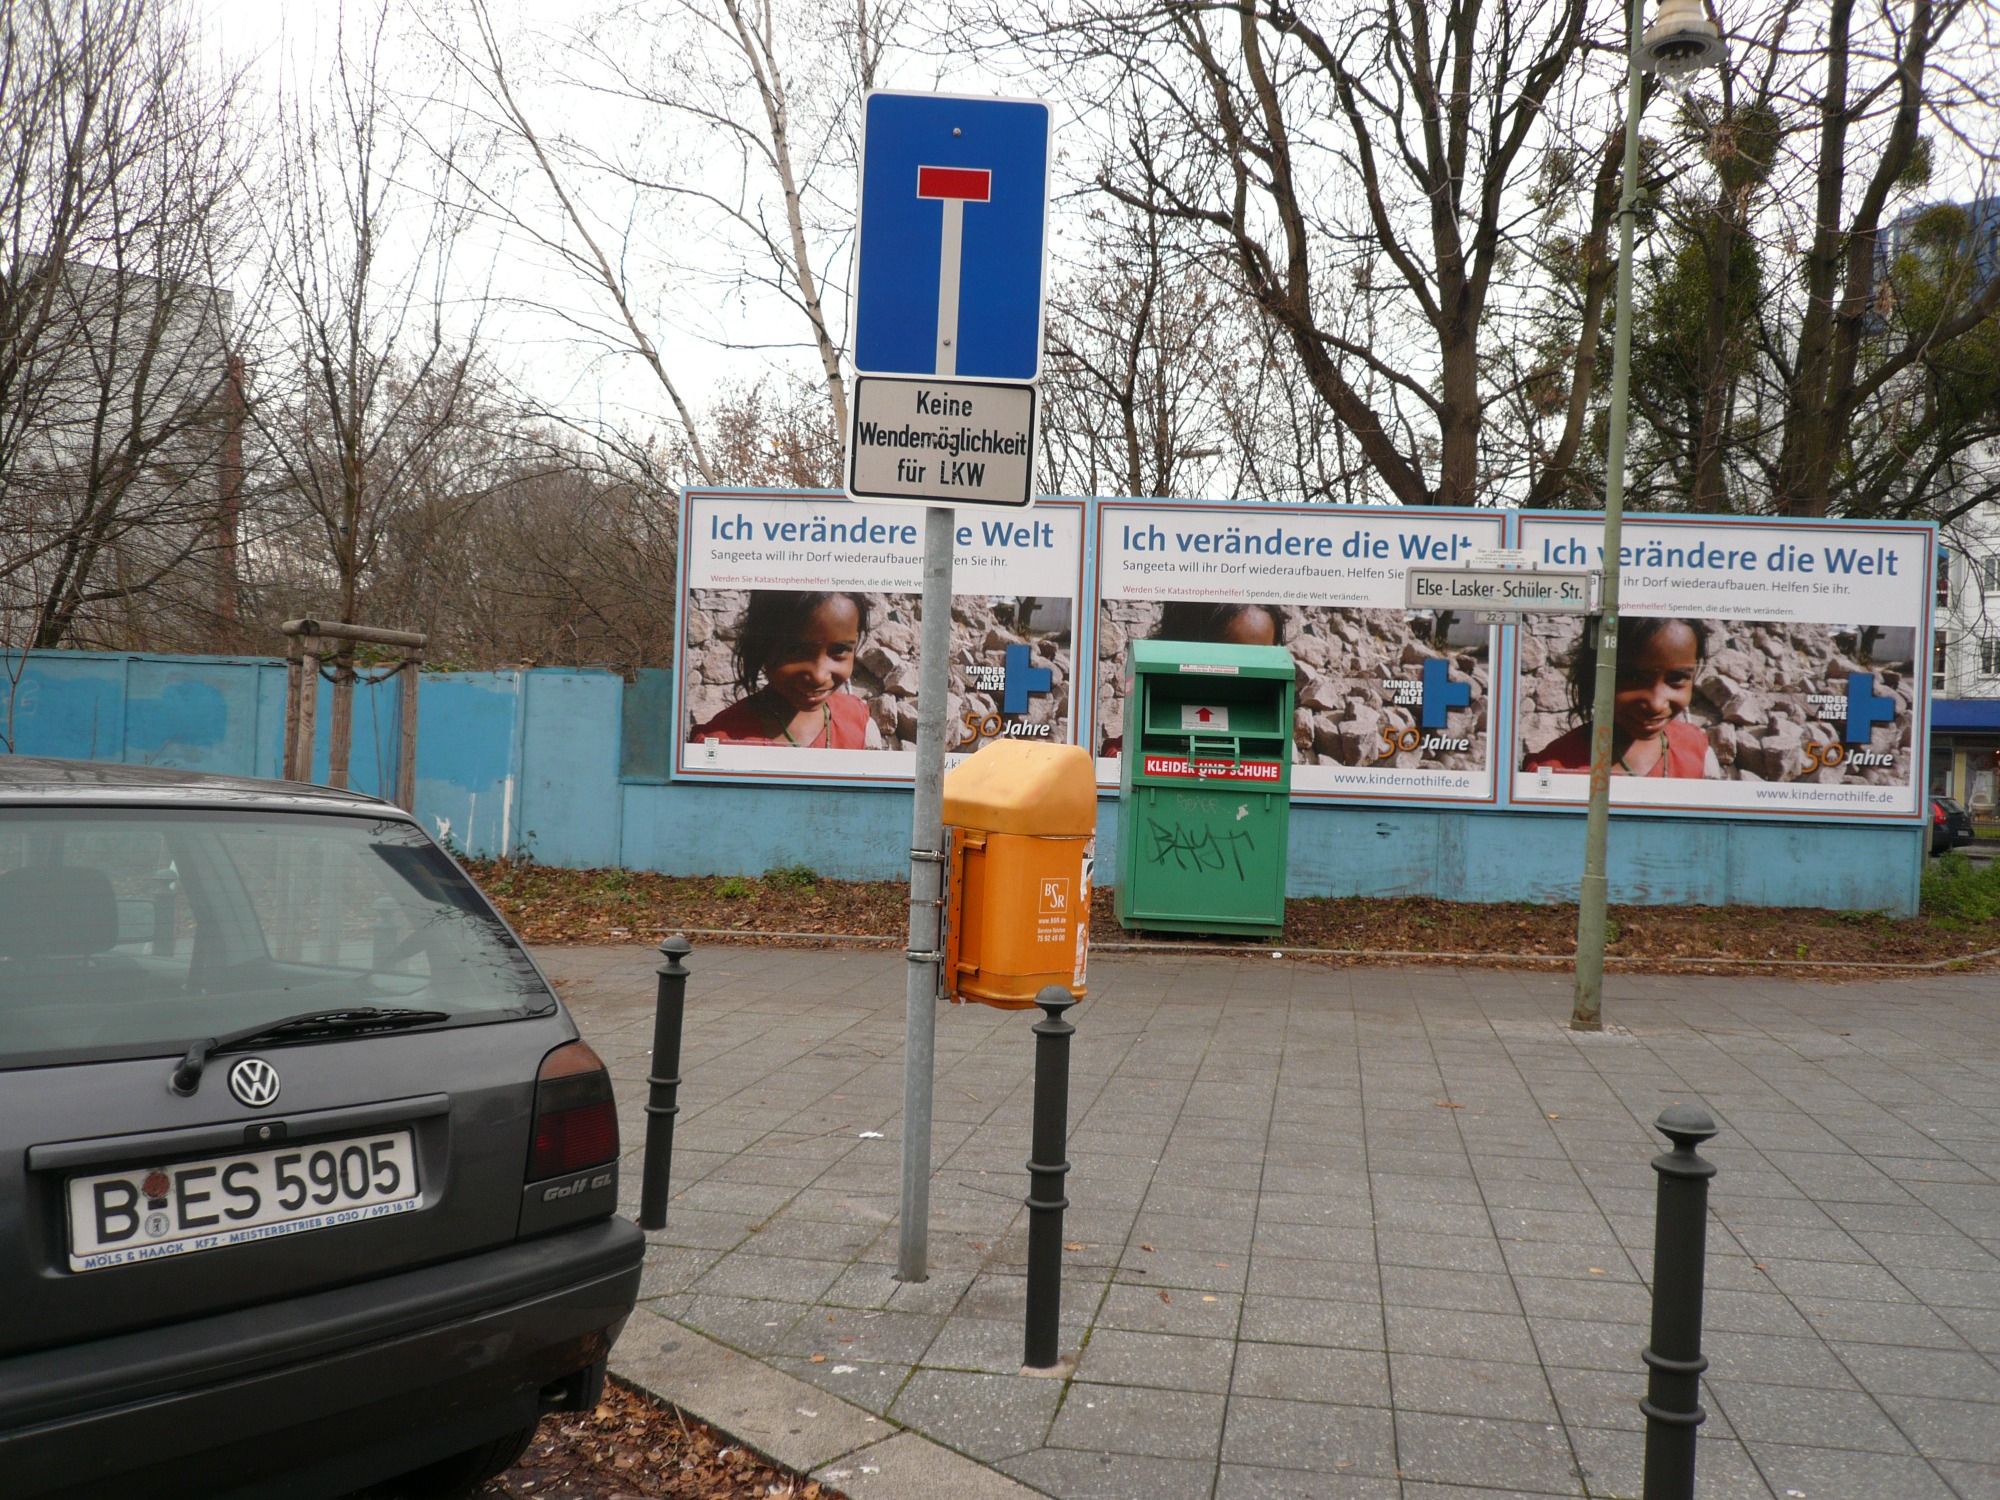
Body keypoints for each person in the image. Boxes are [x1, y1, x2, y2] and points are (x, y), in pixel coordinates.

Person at [1522, 616, 1720, 777]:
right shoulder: (1554, 771)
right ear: (1595, 674)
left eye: (1676, 678)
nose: (1656, 704)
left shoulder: (1697, 750)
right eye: (1633, 678)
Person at [691, 590, 885, 748]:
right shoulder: (720, 742)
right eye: (796, 650)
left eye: (839, 650)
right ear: (761, 646)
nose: (819, 676)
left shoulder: (854, 716)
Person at [1100, 601, 1285, 757]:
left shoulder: (1274, 750)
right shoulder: (1127, 754)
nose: (1251, 675)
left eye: (1263, 660)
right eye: (1233, 659)